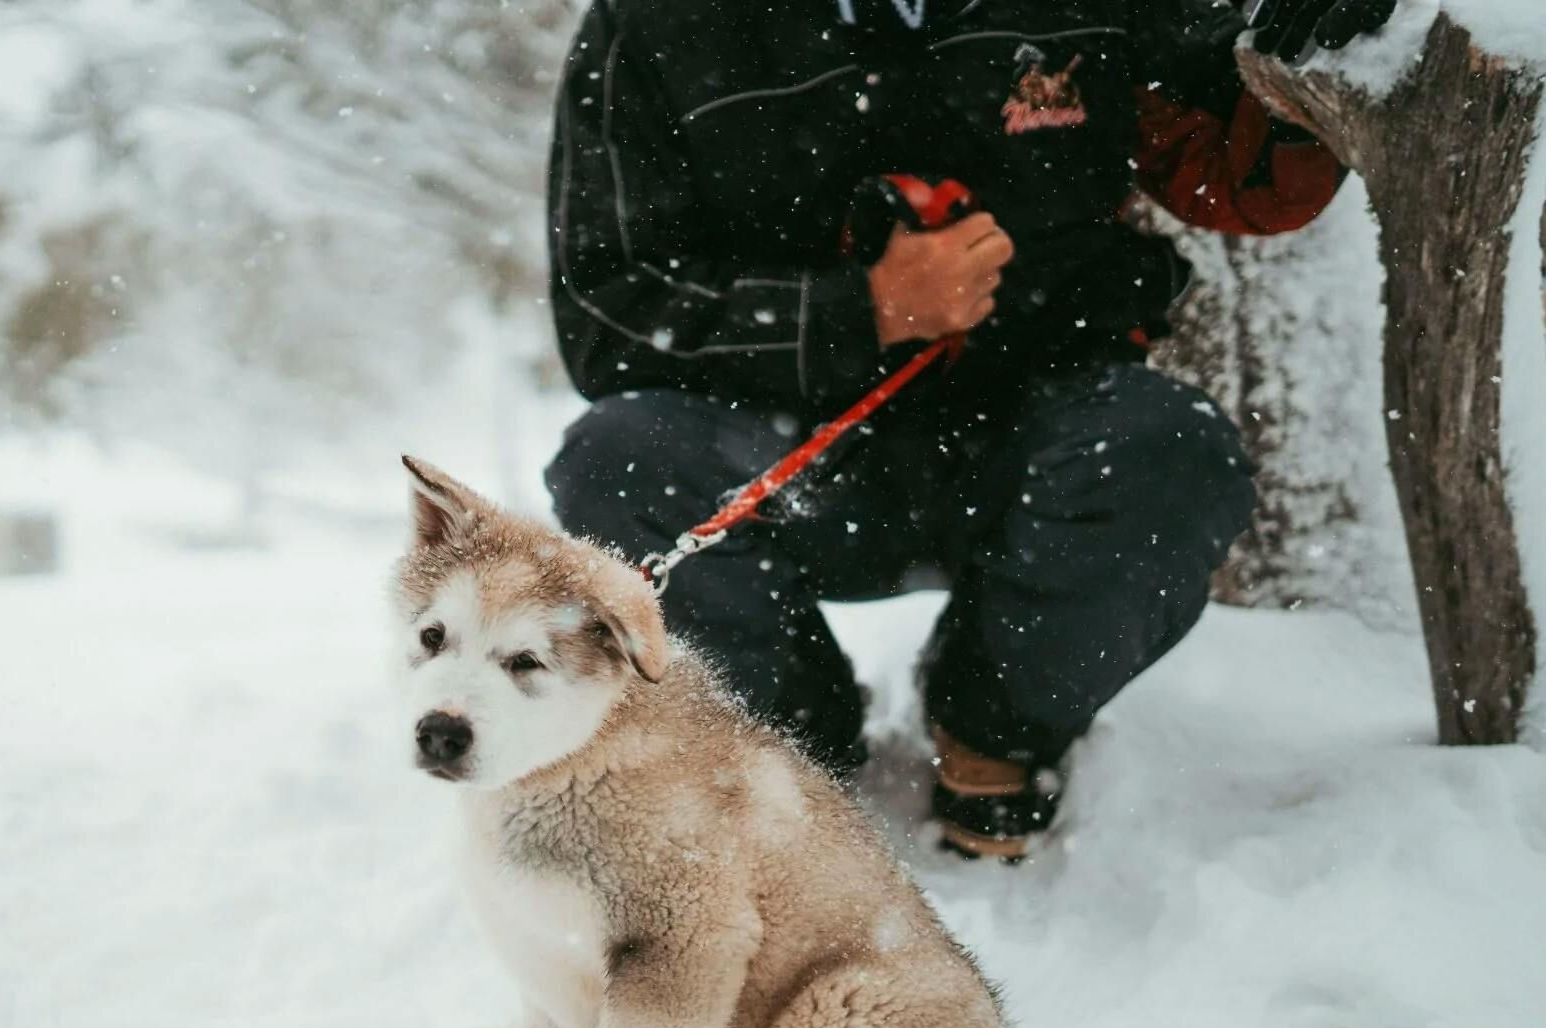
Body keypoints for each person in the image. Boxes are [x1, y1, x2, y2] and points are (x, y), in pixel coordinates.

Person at [542, 0, 1393, 859]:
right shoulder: (652, 22)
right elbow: (605, 309)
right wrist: (862, 312)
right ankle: (791, 748)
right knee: (617, 462)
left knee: (1170, 448)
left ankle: (992, 735)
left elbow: (1245, 171)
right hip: (787, 460)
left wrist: (1310, 51)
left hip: (1034, 450)